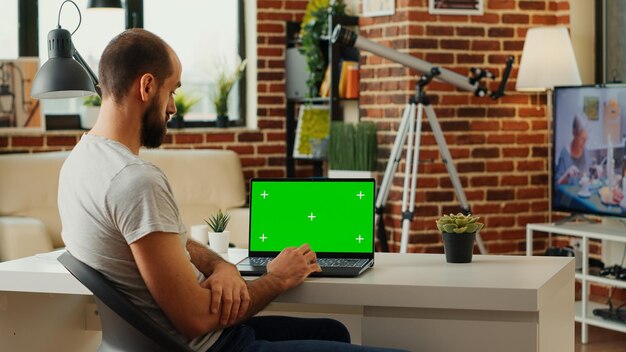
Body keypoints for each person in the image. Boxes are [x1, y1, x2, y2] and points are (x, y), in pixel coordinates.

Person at [58, 29, 404, 352]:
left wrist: (223, 268)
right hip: (212, 345)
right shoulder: (135, 180)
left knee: (334, 332)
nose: (173, 107)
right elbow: (195, 320)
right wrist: (277, 278)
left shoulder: (81, 160)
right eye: (172, 91)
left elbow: (162, 242)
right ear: (147, 87)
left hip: (174, 338)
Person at [555, 113, 593, 185]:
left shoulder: (585, 152)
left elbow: (590, 178)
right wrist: (567, 175)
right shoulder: (565, 154)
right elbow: (556, 186)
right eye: (582, 139)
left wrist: (595, 173)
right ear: (574, 133)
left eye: (586, 139)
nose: (584, 143)